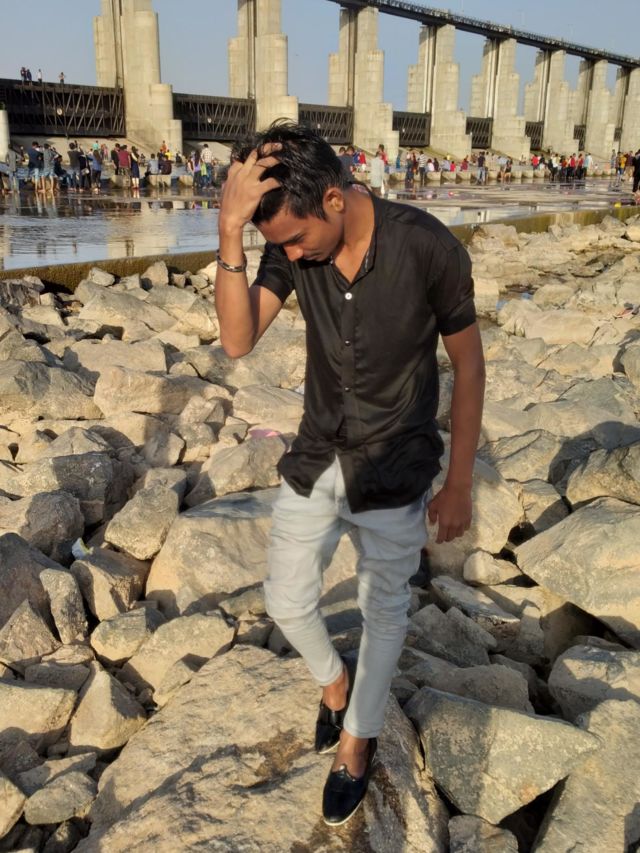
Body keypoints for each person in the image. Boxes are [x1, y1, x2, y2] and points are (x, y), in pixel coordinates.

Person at [215, 121, 484, 826]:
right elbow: (238, 339)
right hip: (317, 456)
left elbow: (470, 365)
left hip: (396, 464)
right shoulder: (291, 245)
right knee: (285, 600)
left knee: (384, 609)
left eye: (296, 239)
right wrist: (230, 234)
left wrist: (459, 483)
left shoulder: (426, 246)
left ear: (333, 199)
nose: (290, 254)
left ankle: (358, 742)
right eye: (279, 244)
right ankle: (334, 685)